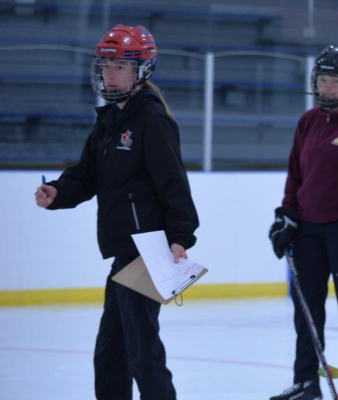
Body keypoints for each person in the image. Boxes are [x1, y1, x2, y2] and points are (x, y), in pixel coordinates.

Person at [35, 24, 199, 400]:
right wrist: (57, 191)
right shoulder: (109, 120)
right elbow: (85, 176)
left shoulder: (152, 120)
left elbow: (174, 184)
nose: (110, 73)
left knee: (142, 352)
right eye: (106, 65)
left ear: (142, 70)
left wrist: (180, 236)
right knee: (110, 352)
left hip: (149, 250)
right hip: (124, 253)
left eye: (120, 66)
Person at [267, 45, 338, 400]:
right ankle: (306, 382)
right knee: (306, 311)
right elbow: (295, 175)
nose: (327, 87)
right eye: (322, 79)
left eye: (335, 80)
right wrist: (287, 213)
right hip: (308, 231)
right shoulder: (308, 121)